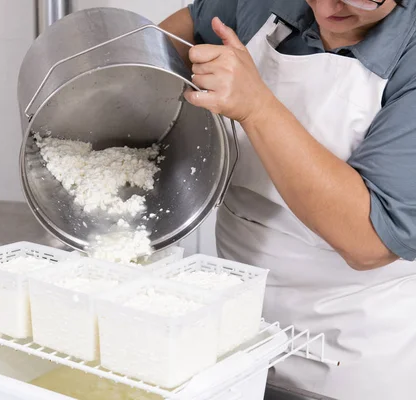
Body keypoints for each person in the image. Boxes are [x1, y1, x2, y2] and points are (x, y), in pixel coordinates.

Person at [159, 1, 416, 399]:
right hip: (233, 340)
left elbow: (369, 241)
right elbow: (177, 34)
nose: (329, 6)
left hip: (347, 362)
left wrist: (257, 106)